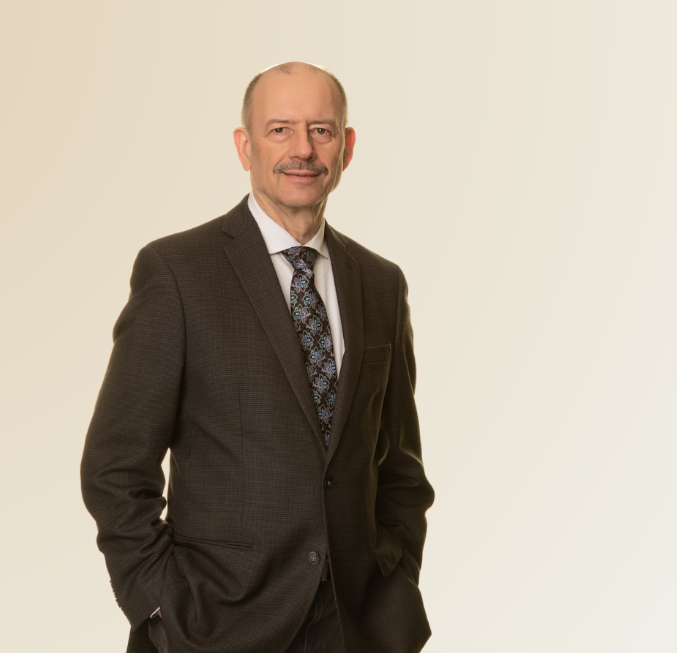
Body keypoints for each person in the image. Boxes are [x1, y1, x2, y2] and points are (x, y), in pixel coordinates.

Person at [81, 62, 434, 653]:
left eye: (321, 130)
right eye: (280, 130)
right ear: (244, 146)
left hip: (358, 627)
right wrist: (163, 605)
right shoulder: (178, 272)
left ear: (346, 147)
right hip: (215, 627)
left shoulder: (380, 283)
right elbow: (114, 467)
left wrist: (394, 577)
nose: (303, 149)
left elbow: (400, 469)